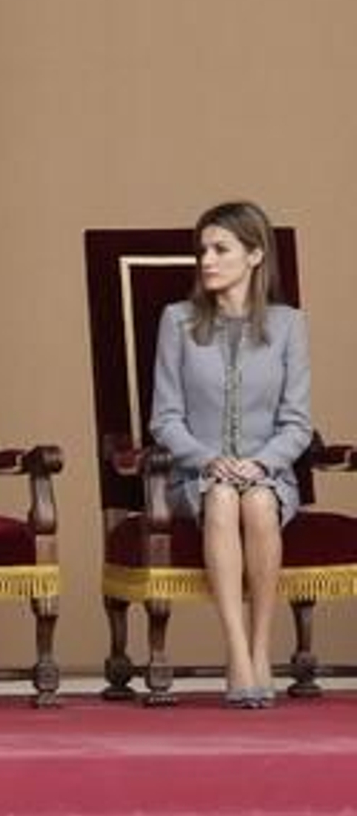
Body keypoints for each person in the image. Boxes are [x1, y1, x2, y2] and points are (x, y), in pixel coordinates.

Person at [149, 201, 312, 709]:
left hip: (270, 473)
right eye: (202, 249)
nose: (206, 260)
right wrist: (206, 459)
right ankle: (238, 655)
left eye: (220, 249)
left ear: (255, 254)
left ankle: (261, 650)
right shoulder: (177, 321)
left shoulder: (288, 325)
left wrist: (262, 464)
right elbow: (164, 419)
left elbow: (297, 423)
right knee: (222, 498)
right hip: (196, 475)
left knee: (259, 502)